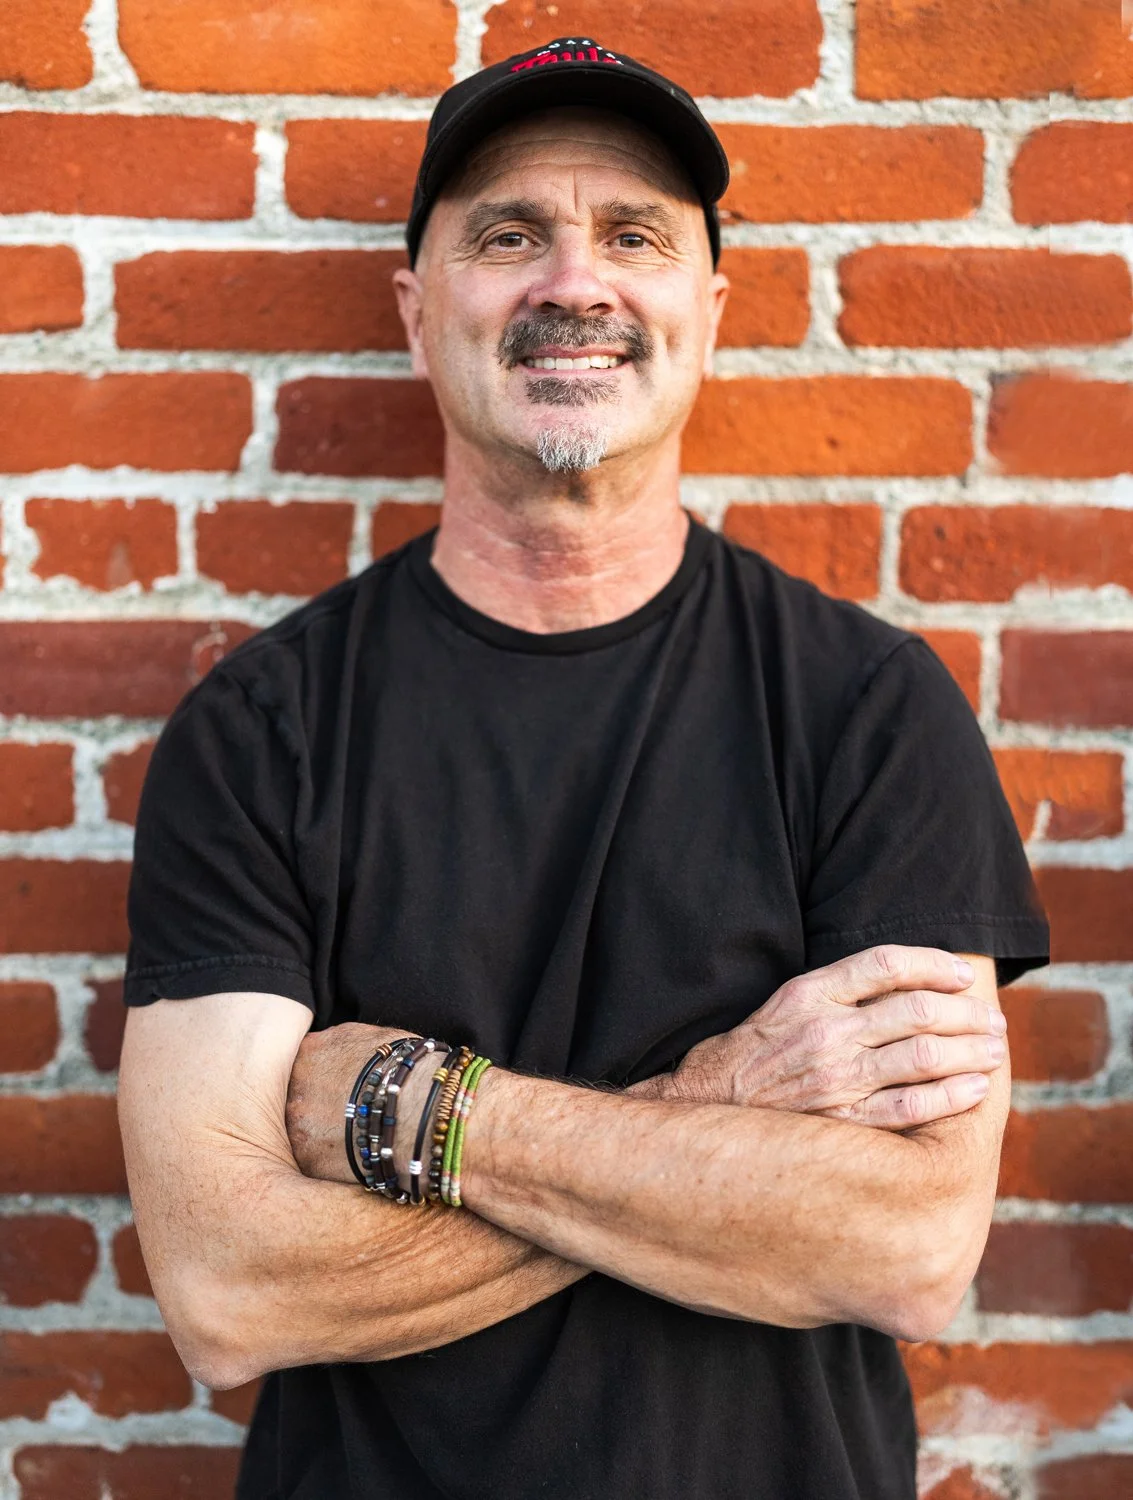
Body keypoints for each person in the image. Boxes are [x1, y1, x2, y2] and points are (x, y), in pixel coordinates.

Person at [117, 38, 1049, 1500]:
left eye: (633, 236)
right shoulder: (259, 735)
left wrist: (424, 1116)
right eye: (509, 235)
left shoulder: (871, 713)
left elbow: (907, 1250)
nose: (574, 282)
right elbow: (231, 1294)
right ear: (420, 314)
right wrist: (729, 1107)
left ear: (711, 310)